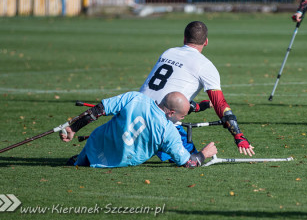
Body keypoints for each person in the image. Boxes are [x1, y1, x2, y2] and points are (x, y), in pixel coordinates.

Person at [139, 21, 255, 160]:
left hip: (135, 113)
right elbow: (220, 104)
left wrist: (199, 106)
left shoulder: (169, 52)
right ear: (206, 42)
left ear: (184, 38)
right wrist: (239, 136)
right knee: (193, 159)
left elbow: (166, 93)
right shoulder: (205, 65)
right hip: (161, 126)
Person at [60, 91, 217, 168]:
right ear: (171, 113)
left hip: (94, 145)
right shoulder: (169, 132)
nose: (182, 119)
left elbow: (99, 110)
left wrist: (73, 128)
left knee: (79, 163)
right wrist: (204, 154)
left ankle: (78, 160)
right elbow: (188, 163)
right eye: (182, 116)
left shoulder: (135, 97)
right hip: (113, 161)